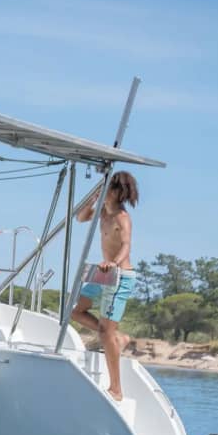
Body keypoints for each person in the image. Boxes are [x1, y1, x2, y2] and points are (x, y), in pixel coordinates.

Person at [70, 171, 139, 402]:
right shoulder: (102, 213)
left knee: (103, 332)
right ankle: (117, 338)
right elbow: (80, 218)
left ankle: (116, 388)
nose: (104, 190)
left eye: (107, 187)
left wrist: (113, 262)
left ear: (118, 192)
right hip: (102, 273)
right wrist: (93, 198)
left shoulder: (122, 217)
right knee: (76, 311)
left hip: (119, 275)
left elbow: (126, 245)